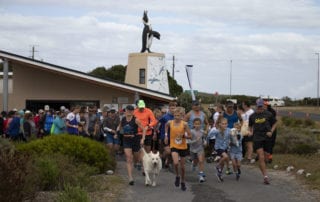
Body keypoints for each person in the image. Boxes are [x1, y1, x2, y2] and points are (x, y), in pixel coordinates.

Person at [248, 98, 277, 185]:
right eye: (258, 107)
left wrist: (271, 131)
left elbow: (275, 123)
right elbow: (250, 126)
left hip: (267, 137)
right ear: (256, 106)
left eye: (261, 106)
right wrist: (251, 132)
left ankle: (265, 164)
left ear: (263, 106)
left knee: (266, 157)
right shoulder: (252, 116)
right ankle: (265, 177)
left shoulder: (268, 114)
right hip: (257, 138)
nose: (260, 108)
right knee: (261, 157)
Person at [118, 105, 146, 185]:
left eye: (131, 110)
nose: (129, 112)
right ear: (125, 111)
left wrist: (142, 139)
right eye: (128, 110)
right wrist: (118, 133)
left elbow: (143, 129)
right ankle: (130, 178)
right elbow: (120, 128)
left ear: (133, 111)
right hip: (126, 140)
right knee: (129, 158)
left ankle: (139, 163)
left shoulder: (136, 120)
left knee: (136, 158)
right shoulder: (123, 119)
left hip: (135, 140)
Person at [164, 107, 192, 191]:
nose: (176, 117)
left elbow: (190, 136)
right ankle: (177, 176)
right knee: (176, 163)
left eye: (178, 115)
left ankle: (183, 181)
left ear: (182, 116)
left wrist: (183, 136)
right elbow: (166, 126)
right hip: (174, 145)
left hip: (183, 146)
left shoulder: (184, 124)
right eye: (175, 115)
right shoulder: (170, 122)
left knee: (182, 167)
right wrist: (166, 136)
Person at [133, 100, 158, 170]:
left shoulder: (148, 111)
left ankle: (146, 163)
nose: (141, 108)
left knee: (148, 150)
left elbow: (154, 121)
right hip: (139, 133)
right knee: (141, 149)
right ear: (137, 106)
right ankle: (142, 165)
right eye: (140, 107)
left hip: (148, 132)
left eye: (142, 107)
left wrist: (149, 125)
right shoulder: (134, 112)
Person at [210, 117, 231, 182]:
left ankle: (219, 173)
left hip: (225, 147)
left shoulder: (229, 130)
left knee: (223, 163)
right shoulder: (217, 131)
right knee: (225, 156)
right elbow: (210, 135)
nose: (224, 125)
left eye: (225, 124)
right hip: (218, 147)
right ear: (220, 124)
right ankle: (217, 166)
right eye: (223, 124)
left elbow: (232, 136)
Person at [158, 101, 176, 168]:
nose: (173, 110)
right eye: (171, 108)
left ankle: (167, 162)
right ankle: (163, 158)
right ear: (169, 108)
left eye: (174, 108)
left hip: (174, 137)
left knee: (173, 152)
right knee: (168, 151)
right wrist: (155, 132)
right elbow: (157, 123)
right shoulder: (165, 117)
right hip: (165, 136)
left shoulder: (176, 116)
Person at [188, 118, 206, 183]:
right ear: (193, 124)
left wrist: (204, 142)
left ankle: (201, 175)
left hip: (200, 148)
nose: (197, 125)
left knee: (201, 161)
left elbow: (204, 138)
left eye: (198, 124)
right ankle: (194, 164)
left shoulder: (202, 131)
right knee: (195, 161)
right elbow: (188, 142)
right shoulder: (191, 131)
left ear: (201, 124)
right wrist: (195, 140)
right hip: (193, 149)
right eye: (196, 124)